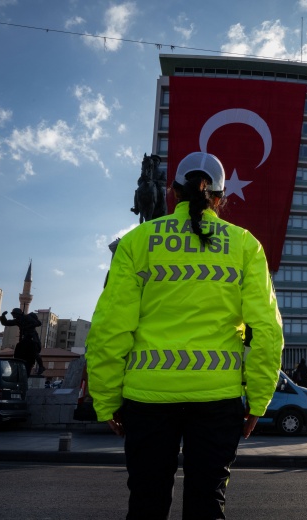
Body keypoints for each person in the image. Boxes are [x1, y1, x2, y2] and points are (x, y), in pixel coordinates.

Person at [86, 151, 283, 520]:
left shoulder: (137, 242)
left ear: (172, 194)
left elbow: (110, 328)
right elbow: (267, 331)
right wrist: (258, 400)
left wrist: (105, 398)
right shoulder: (245, 246)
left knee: (146, 504)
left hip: (147, 398)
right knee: (207, 505)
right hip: (217, 399)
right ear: (220, 198)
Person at [0, 308, 45, 375]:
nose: (13, 315)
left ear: (18, 314)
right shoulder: (18, 320)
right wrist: (3, 316)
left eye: (13, 314)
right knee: (19, 351)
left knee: (34, 352)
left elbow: (38, 323)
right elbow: (6, 323)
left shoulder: (28, 317)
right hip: (25, 338)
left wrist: (27, 326)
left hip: (32, 337)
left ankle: (41, 366)